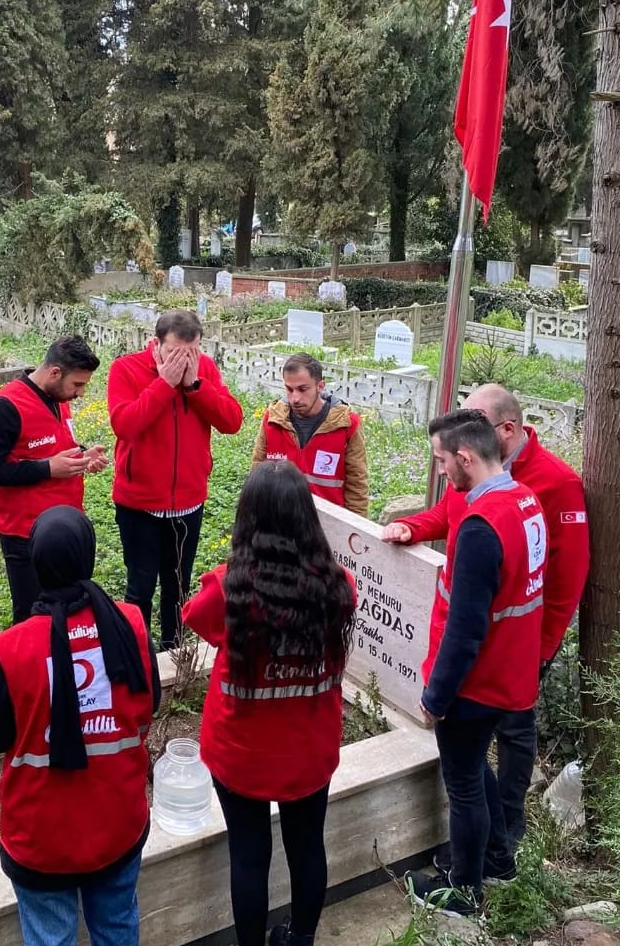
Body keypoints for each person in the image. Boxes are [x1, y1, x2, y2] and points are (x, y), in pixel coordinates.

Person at [382, 383, 588, 856]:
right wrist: (412, 526)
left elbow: (566, 580)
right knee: (473, 764)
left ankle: (500, 839)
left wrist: (539, 651)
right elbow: (449, 515)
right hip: (478, 654)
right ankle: (495, 849)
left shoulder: (553, 483)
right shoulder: (481, 479)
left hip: (513, 652)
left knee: (504, 746)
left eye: (472, 422)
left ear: (504, 430)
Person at [182, 462, 356, 946]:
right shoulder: (338, 587)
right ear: (307, 517)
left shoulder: (228, 590)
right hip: (309, 752)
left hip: (241, 755)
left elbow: (193, 616)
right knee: (307, 848)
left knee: (249, 855)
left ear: (247, 519)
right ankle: (301, 938)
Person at [0, 506, 159, 946]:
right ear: (89, 556)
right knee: (117, 928)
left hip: (41, 839)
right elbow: (152, 702)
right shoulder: (130, 624)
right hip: (117, 824)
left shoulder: (10, 651)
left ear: (34, 562)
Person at [404, 410, 547, 915]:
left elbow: (465, 632)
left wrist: (435, 698)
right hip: (509, 671)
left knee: (462, 785)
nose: (442, 472)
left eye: (443, 462)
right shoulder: (524, 500)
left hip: (475, 683)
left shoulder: (481, 527)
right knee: (476, 770)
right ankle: (499, 859)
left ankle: (463, 891)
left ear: (466, 456)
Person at [108, 309, 244, 649]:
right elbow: (125, 424)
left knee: (178, 584)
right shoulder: (126, 369)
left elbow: (231, 421)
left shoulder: (204, 370)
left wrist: (195, 385)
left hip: (188, 501)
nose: (183, 359)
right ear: (155, 345)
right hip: (138, 504)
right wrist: (164, 384)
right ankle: (136, 654)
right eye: (174, 352)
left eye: (192, 351)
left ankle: (173, 650)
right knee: (139, 584)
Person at [0, 335, 108, 625]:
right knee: (34, 617)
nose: (80, 393)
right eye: (78, 385)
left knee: (73, 610)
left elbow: (50, 445)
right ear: (55, 373)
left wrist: (83, 455)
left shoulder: (58, 397)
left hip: (68, 531)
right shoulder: (4, 407)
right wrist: (47, 468)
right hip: (27, 537)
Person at [251, 353, 368, 516]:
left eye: (302, 389)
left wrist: (356, 529)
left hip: (326, 526)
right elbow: (257, 472)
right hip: (278, 523)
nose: (295, 398)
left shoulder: (347, 425)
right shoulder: (272, 420)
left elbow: (357, 485)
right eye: (289, 389)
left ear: (320, 386)